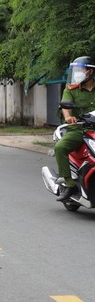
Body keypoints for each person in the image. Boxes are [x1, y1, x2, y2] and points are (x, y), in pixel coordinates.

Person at [56, 56, 95, 200]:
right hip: (79, 130)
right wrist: (68, 117)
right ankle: (69, 184)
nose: (76, 73)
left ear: (89, 72)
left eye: (80, 70)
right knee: (60, 147)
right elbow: (65, 106)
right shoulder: (71, 90)